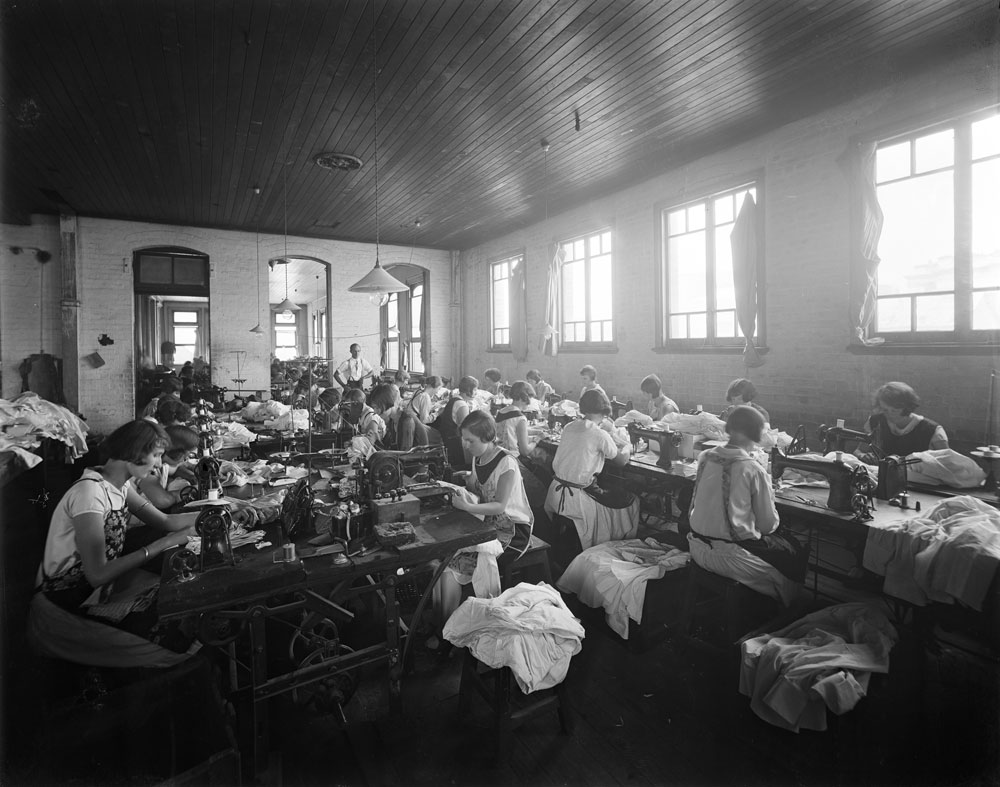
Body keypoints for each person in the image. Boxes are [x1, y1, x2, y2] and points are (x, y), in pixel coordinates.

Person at [27, 420, 199, 667]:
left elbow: (165, 520)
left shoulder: (119, 485)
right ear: (136, 454)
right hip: (62, 607)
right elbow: (97, 573)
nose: (160, 464)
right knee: (176, 652)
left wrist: (223, 511)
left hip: (97, 592)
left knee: (182, 606)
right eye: (157, 456)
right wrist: (166, 543)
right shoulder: (90, 493)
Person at [687, 406, 807, 606]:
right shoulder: (752, 469)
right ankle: (780, 611)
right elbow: (768, 526)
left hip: (696, 547)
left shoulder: (705, 457)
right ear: (756, 433)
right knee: (793, 552)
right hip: (730, 560)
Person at [436, 411, 533, 622]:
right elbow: (479, 488)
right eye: (464, 439)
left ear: (487, 438)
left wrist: (465, 506)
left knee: (452, 565)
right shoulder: (478, 457)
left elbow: (499, 506)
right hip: (488, 523)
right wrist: (467, 480)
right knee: (444, 556)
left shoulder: (507, 463)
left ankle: (454, 624)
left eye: (470, 440)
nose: (465, 445)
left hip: (513, 530)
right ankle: (446, 621)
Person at [543, 389, 637, 561]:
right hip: (578, 501)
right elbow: (621, 461)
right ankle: (609, 547)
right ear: (605, 411)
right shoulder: (599, 433)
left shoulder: (569, 427)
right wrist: (628, 446)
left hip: (555, 494)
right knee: (631, 500)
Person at [864, 381, 948, 457]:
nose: (889, 414)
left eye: (894, 410)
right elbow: (859, 451)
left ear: (906, 407)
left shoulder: (932, 430)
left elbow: (947, 463)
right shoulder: (875, 422)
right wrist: (863, 456)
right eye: (885, 410)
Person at [138, 425, 199, 511]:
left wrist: (191, 476)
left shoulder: (163, 463)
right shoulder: (145, 469)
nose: (186, 459)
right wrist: (192, 490)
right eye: (185, 455)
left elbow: (175, 469)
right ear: (176, 453)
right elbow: (163, 500)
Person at [435, 375, 479, 469]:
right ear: (468, 390)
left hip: (449, 438)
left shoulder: (455, 399)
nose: (476, 392)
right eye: (475, 390)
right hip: (454, 442)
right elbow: (465, 428)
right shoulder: (462, 405)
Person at [370, 383, 429, 451]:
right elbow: (390, 447)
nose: (375, 411)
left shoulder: (406, 420)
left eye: (377, 407)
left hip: (418, 460)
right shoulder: (392, 419)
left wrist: (376, 443)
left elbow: (403, 455)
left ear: (389, 403)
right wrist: (377, 439)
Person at [495, 381, 534, 457]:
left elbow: (514, 430)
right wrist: (537, 439)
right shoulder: (520, 418)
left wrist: (538, 432)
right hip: (512, 458)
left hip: (498, 455)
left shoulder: (501, 412)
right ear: (524, 397)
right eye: (530, 397)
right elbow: (525, 451)